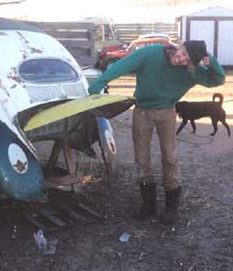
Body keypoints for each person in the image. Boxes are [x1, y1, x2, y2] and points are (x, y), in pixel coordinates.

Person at [88, 40, 225, 224]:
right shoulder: (151, 53)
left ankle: (171, 208)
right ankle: (148, 206)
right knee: (142, 157)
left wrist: (211, 61)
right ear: (180, 46)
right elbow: (121, 66)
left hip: (168, 112)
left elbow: (217, 79)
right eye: (183, 53)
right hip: (142, 111)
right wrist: (99, 83)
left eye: (188, 60)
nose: (181, 60)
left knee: (170, 156)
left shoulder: (193, 71)